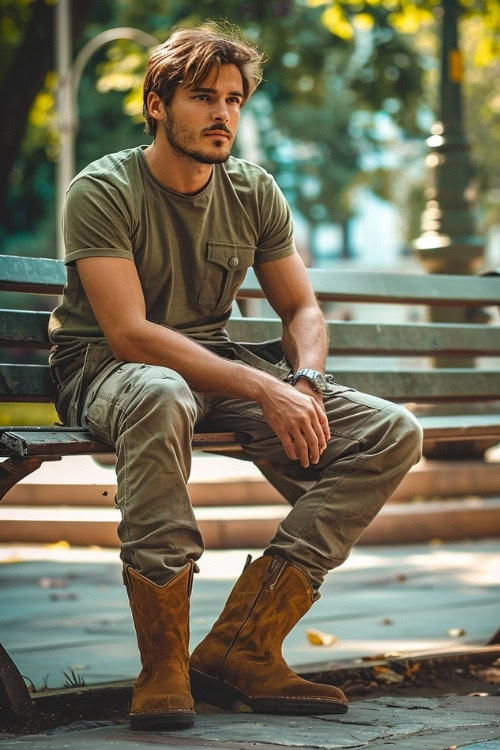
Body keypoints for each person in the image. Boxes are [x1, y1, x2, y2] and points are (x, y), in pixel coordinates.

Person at [48, 24, 423, 731]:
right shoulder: (102, 189)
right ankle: (163, 664)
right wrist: (260, 386)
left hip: (212, 367)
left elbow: (301, 306)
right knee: (159, 392)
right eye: (202, 97)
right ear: (156, 103)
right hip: (105, 369)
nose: (223, 114)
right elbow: (128, 333)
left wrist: (304, 382)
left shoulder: (252, 190)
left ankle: (244, 645)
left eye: (234, 99)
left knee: (391, 432)